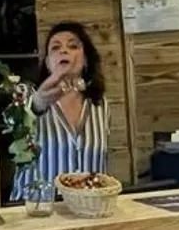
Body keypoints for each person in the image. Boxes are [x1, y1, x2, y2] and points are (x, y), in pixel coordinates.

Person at [17, 21, 111, 198]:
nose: (64, 50)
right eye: (55, 47)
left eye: (73, 46)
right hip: (37, 210)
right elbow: (15, 127)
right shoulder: (24, 96)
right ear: (47, 63)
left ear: (85, 60)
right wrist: (37, 104)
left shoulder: (100, 105)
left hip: (88, 209)